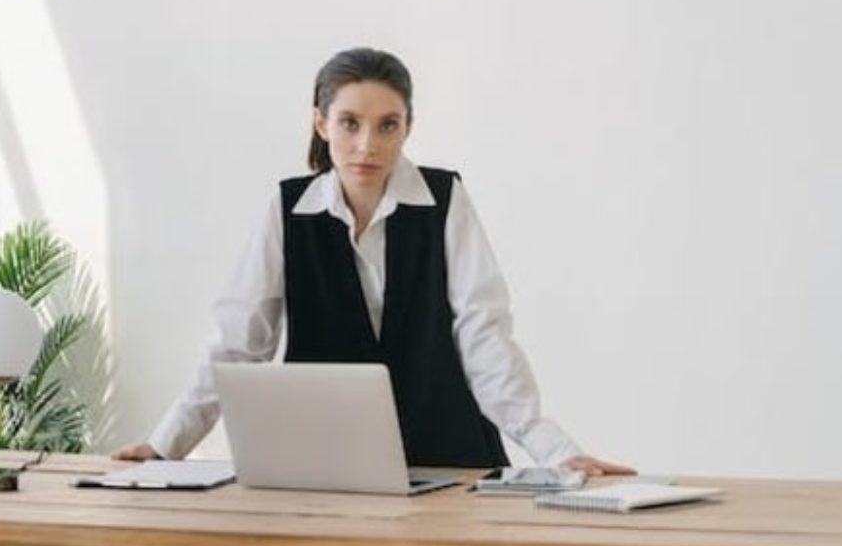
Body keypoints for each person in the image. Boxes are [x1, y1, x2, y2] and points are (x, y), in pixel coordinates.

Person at [116, 47, 634, 476]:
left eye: (387, 125)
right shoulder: (287, 210)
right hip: (325, 466)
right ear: (320, 123)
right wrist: (165, 447)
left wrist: (556, 451)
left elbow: (485, 340)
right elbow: (236, 346)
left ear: (408, 128)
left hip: (449, 461)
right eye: (349, 123)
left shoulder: (444, 200)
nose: (368, 145)